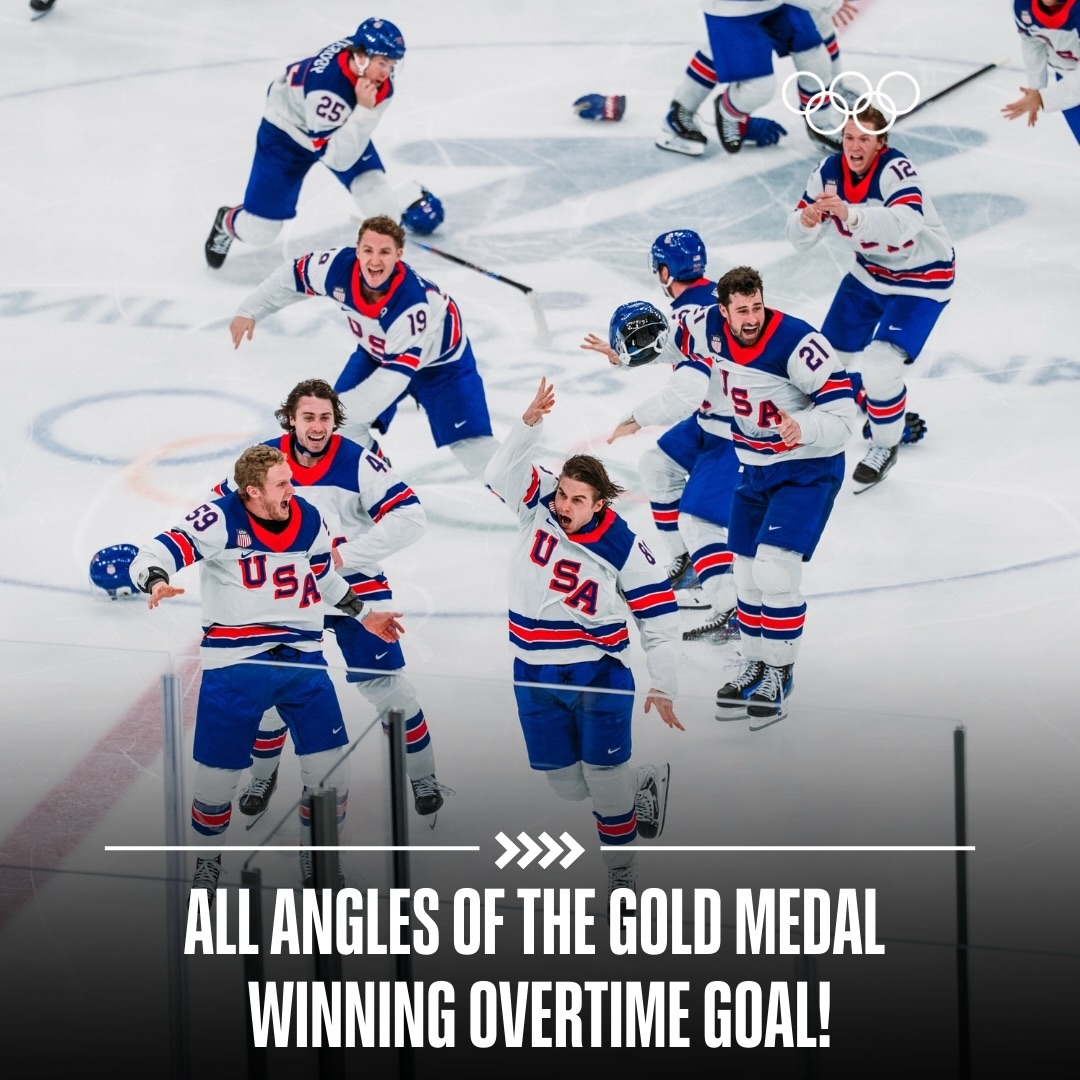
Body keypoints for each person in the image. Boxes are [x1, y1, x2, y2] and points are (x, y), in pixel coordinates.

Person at [129, 443, 404, 898]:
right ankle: (207, 863)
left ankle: (317, 859)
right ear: (252, 492)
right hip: (235, 662)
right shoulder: (217, 519)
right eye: (282, 484)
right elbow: (153, 552)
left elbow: (322, 576)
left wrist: (363, 613)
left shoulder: (309, 517)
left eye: (290, 480)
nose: (292, 489)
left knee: (330, 773)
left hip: (302, 658)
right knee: (216, 779)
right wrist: (157, 580)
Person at [211, 380, 451, 824]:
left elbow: (410, 515)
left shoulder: (358, 460)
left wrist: (343, 555)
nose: (317, 427)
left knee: (391, 692)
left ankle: (423, 776)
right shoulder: (263, 460)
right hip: (286, 593)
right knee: (272, 697)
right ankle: (263, 777)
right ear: (291, 419)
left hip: (354, 586)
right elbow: (221, 512)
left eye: (324, 417)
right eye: (308, 417)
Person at [484, 377, 684, 901]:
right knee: (568, 787)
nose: (566, 505)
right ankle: (643, 779)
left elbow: (660, 618)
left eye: (578, 499)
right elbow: (498, 473)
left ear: (599, 503)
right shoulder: (539, 506)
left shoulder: (625, 546)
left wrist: (663, 685)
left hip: (598, 672)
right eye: (563, 496)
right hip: (532, 672)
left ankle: (622, 875)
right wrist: (528, 424)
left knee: (604, 781)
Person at [229, 215, 498, 480]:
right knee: (342, 428)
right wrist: (251, 310)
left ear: (399, 255)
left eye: (384, 252)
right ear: (357, 251)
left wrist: (329, 415)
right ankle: (382, 484)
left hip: (442, 367)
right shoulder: (335, 267)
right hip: (377, 354)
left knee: (474, 449)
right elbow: (291, 276)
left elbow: (389, 384)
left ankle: (536, 500)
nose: (375, 260)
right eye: (368, 250)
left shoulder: (410, 304)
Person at [707, 267, 856, 724]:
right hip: (755, 470)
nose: (751, 318)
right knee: (747, 575)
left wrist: (802, 427)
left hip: (807, 471)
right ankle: (755, 662)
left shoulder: (797, 343)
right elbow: (677, 339)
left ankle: (780, 671)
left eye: (757, 307)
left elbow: (844, 418)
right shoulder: (710, 328)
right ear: (724, 311)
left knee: (775, 572)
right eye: (741, 311)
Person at [580, 230, 740, 644]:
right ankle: (687, 564)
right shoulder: (701, 300)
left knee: (699, 520)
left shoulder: (692, 311)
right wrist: (625, 357)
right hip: (715, 417)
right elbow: (675, 349)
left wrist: (635, 418)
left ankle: (733, 610)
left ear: (665, 271)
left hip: (736, 427)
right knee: (657, 464)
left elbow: (688, 390)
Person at [786, 103, 948, 489]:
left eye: (864, 138)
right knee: (824, 362)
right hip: (869, 273)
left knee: (880, 364)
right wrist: (806, 223)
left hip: (922, 278)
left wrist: (851, 213)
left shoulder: (896, 169)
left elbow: (906, 223)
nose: (855, 146)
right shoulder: (828, 172)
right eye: (848, 137)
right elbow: (797, 238)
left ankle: (884, 443)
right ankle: (865, 410)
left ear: (881, 143)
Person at [204, 18, 443, 271]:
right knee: (261, 232)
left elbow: (347, 142)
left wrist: (362, 112)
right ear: (361, 57)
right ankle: (226, 221)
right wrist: (364, 111)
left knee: (385, 214)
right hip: (286, 135)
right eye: (382, 63)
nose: (387, 73)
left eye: (392, 64)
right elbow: (336, 158)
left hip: (336, 127)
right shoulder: (327, 90)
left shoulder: (372, 78)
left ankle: (387, 245)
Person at [655, 1, 853, 157]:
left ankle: (820, 122)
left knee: (813, 55)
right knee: (759, 88)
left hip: (775, 4)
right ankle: (726, 112)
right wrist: (831, 3)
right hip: (733, 9)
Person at [1003, 0, 1080, 144]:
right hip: (1066, 78)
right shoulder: (1021, 5)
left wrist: (1042, 98)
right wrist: (1035, 88)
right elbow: (1032, 41)